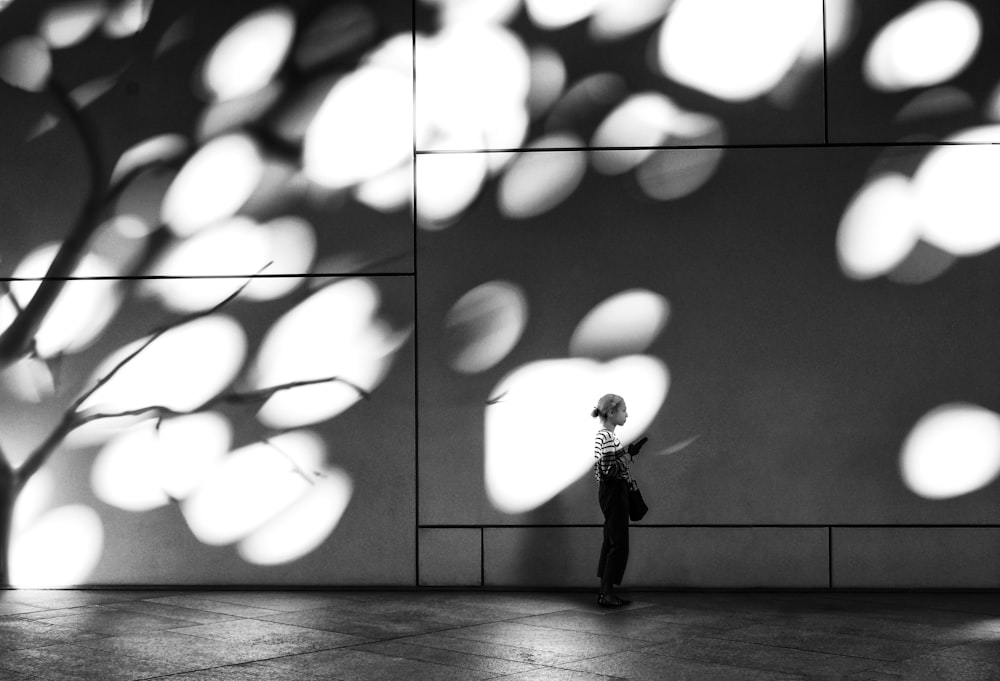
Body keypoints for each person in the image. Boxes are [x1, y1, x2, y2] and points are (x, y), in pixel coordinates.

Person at [592, 393, 646, 607]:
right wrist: (628, 456)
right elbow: (607, 470)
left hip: (614, 491)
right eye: (624, 410)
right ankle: (606, 593)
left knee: (612, 541)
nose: (627, 414)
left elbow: (611, 466)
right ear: (612, 412)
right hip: (613, 492)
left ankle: (606, 590)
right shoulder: (605, 436)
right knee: (618, 543)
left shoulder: (609, 437)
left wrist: (626, 454)